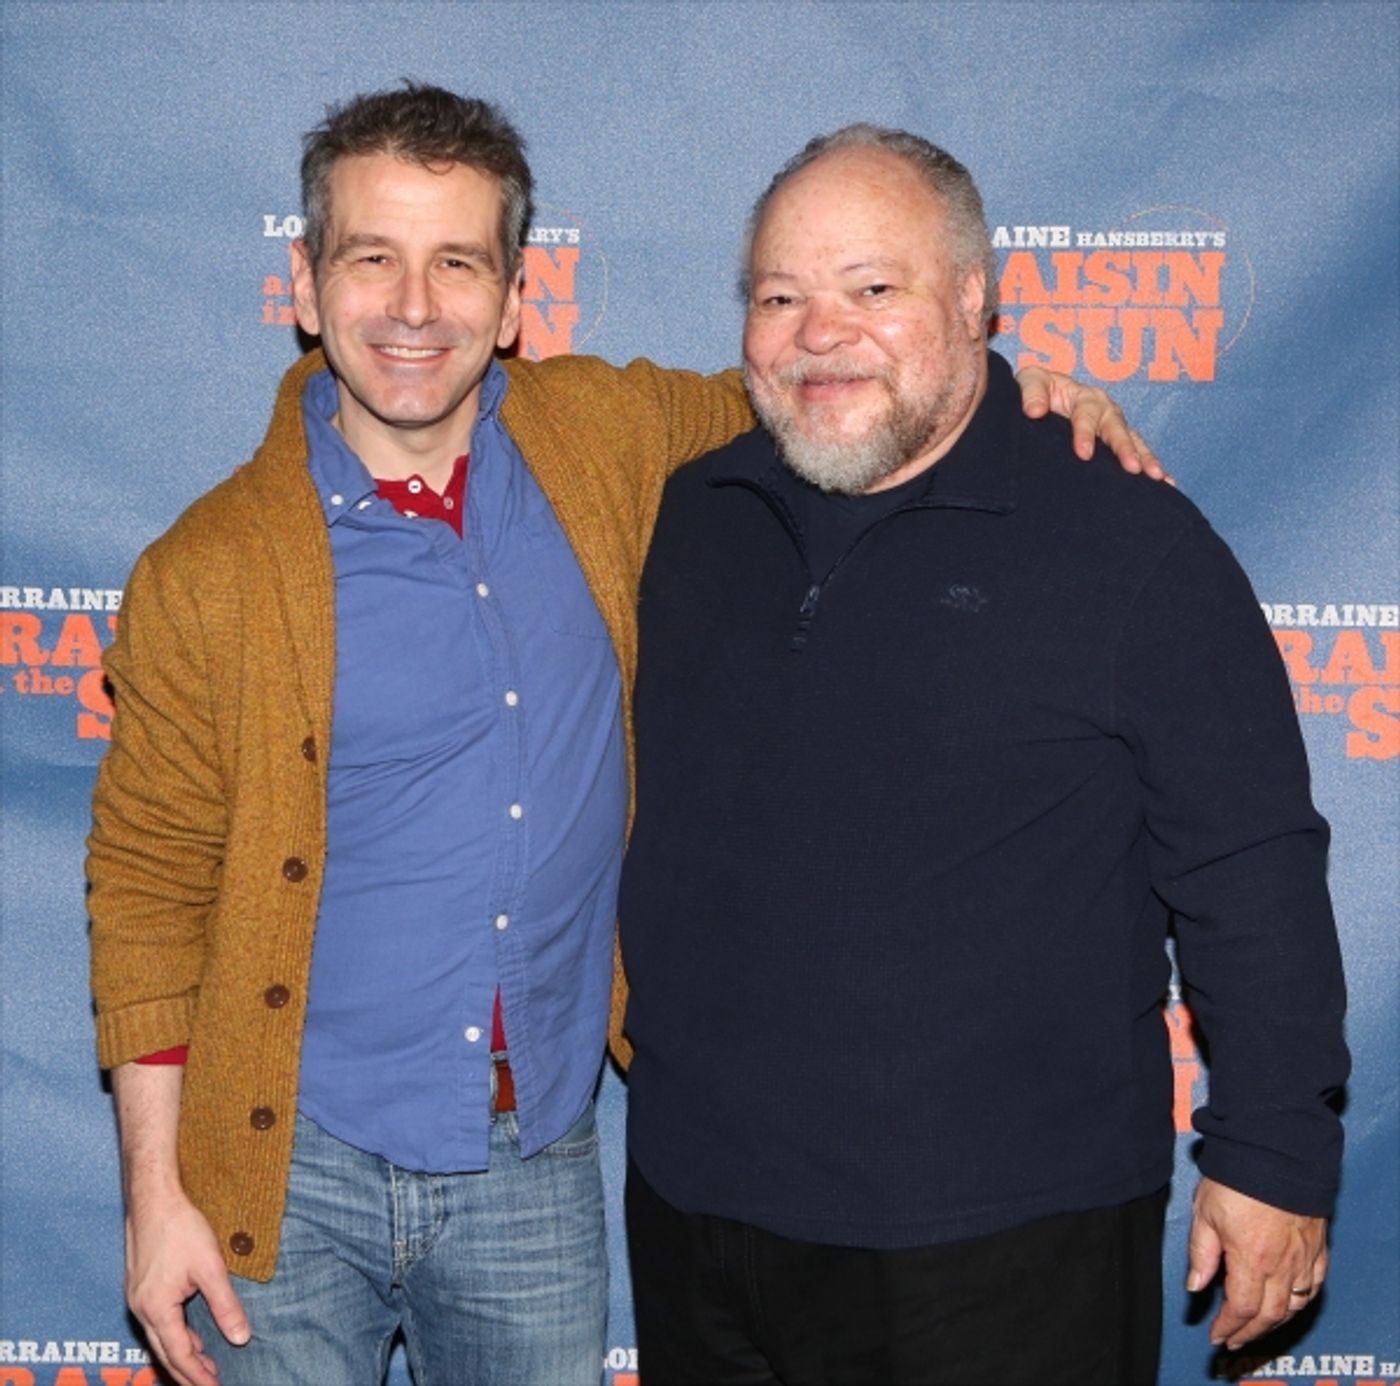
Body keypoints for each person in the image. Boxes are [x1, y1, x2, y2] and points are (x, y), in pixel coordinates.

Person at [87, 86, 1155, 1386]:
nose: (414, 307)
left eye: (458, 262)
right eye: (373, 258)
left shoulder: (607, 441)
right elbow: (146, 897)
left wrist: (1005, 388)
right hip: (284, 1173)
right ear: (306, 285)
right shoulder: (205, 572)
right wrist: (158, 1197)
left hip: (535, 1160)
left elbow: (830, 400)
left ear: (517, 297)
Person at [618, 125, 1349, 1386]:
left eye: (871, 289)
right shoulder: (693, 512)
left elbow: (1252, 873)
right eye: (777, 296)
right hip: (695, 1222)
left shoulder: (1129, 545)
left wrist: (1272, 1158)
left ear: (973, 301)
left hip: (1001, 1249)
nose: (816, 331)